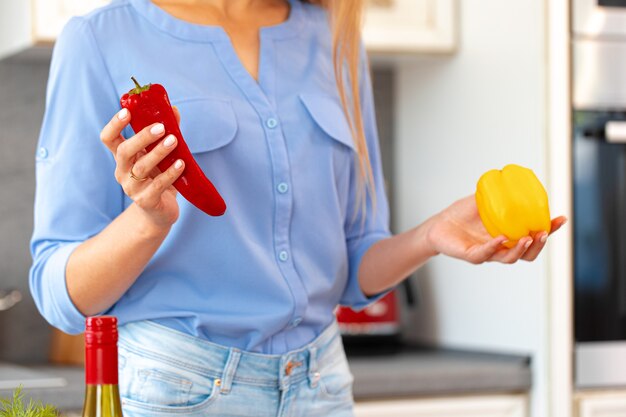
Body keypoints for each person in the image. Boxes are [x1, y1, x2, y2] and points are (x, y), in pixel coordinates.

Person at [29, 0, 566, 416]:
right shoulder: (101, 39)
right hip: (178, 389)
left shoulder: (333, 36)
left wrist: (431, 235)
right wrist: (147, 221)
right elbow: (60, 293)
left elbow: (354, 267)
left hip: (322, 385)